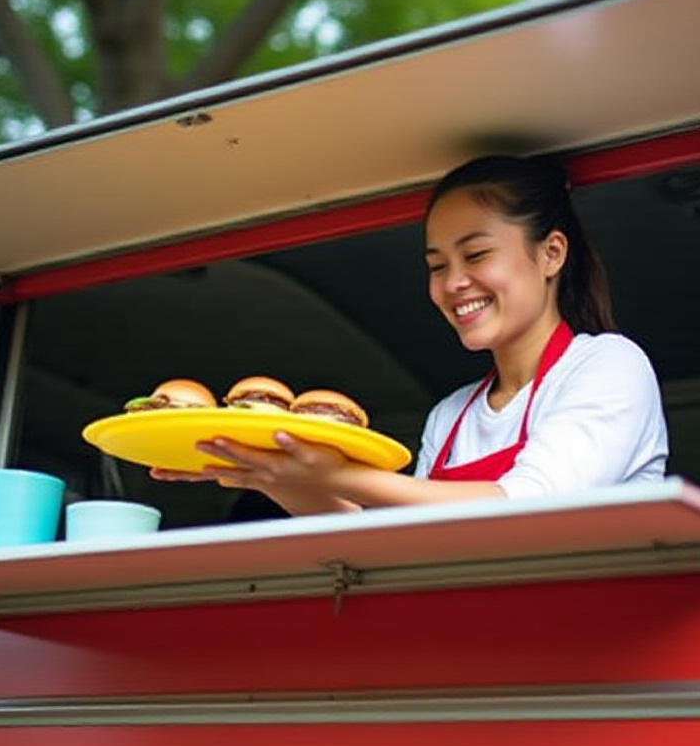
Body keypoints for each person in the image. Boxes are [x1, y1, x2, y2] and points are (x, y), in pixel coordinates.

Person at [156, 153, 667, 515]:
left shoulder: (608, 365)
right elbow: (398, 544)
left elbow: (530, 505)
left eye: (476, 255)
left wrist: (334, 476)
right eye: (437, 264)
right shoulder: (449, 417)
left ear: (551, 253)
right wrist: (267, 474)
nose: (453, 283)